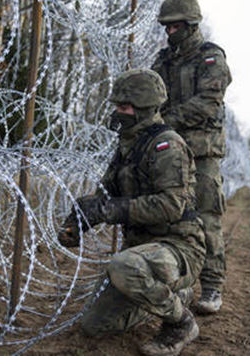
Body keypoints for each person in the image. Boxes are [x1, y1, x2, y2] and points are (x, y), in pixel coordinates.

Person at [58, 68, 206, 356]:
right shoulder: (128, 145)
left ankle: (181, 324)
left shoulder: (167, 146)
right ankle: (174, 297)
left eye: (123, 107)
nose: (117, 112)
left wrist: (108, 210)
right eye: (116, 106)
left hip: (178, 247)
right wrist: (78, 221)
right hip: (142, 250)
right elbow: (105, 194)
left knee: (124, 267)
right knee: (94, 325)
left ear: (143, 108)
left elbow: (171, 205)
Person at [151, 0, 232, 314]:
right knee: (169, 218)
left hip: (201, 152)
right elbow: (151, 93)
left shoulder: (210, 58)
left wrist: (165, 122)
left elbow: (208, 102)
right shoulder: (163, 60)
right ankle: (178, 283)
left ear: (192, 24)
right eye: (166, 27)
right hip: (168, 152)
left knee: (206, 217)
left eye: (175, 26)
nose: (169, 32)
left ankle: (212, 286)